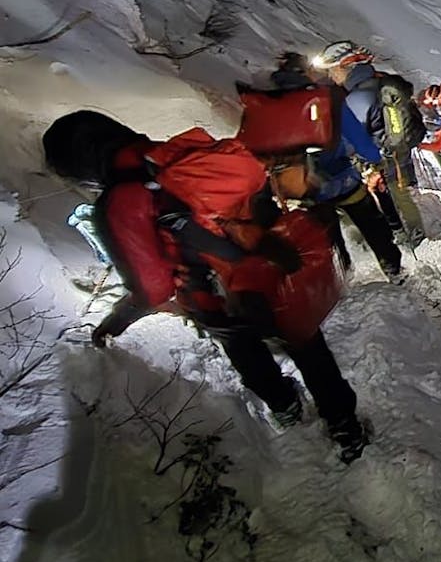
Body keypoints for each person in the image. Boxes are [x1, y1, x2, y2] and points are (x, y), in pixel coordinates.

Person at [42, 111, 368, 462]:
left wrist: (119, 319)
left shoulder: (121, 201)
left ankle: (285, 406)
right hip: (272, 268)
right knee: (308, 346)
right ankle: (345, 427)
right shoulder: (189, 150)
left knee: (244, 348)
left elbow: (153, 288)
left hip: (218, 298)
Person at [268, 53, 404, 281]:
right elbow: (358, 138)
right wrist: (375, 158)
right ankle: (393, 268)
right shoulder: (326, 99)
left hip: (304, 184)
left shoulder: (271, 103)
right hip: (341, 178)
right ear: (307, 73)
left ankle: (341, 274)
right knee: (372, 223)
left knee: (327, 232)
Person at [313, 41, 428, 245]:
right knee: (396, 193)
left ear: (346, 66)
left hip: (383, 153)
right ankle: (412, 233)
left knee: (382, 193)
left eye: (332, 70)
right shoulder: (377, 82)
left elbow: (349, 139)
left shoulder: (358, 97)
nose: (331, 76)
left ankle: (405, 237)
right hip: (395, 151)